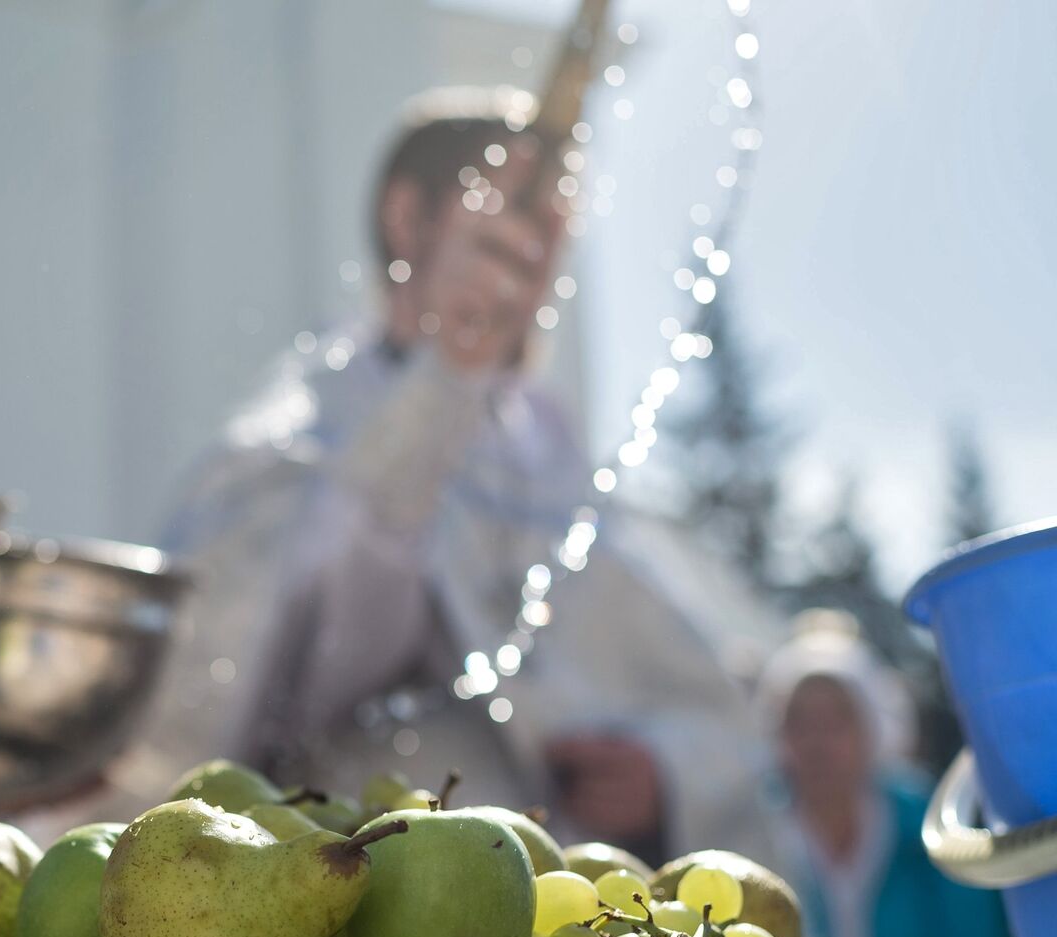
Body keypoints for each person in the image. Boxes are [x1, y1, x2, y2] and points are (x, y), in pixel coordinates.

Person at [131, 86, 773, 863]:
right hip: (355, 898)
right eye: (504, 229)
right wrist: (444, 381)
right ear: (410, 220)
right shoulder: (306, 422)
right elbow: (248, 674)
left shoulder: (551, 455)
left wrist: (660, 774)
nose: (532, 269)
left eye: (548, 240)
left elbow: (718, 710)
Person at [757, 613, 1015, 937]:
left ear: (872, 726)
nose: (817, 741)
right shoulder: (756, 836)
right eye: (799, 721)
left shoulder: (935, 829)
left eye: (837, 720)